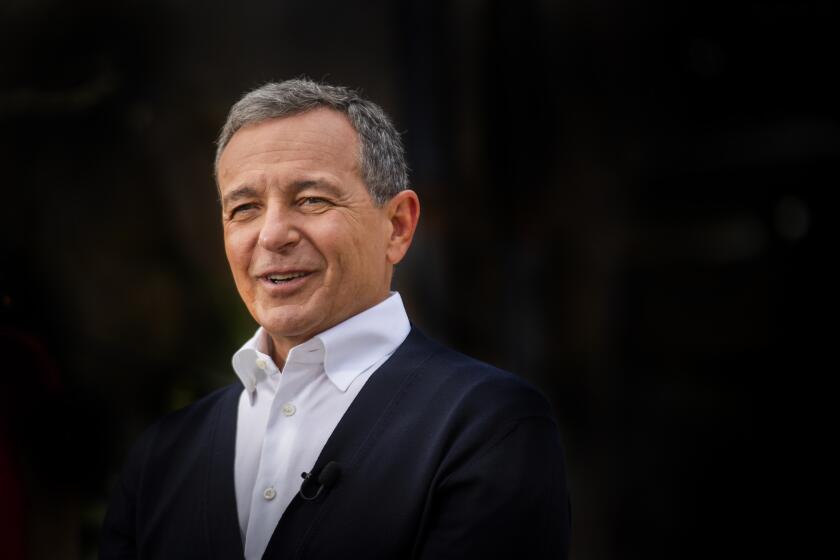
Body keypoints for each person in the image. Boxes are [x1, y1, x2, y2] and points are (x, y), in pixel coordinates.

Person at [100, 79, 570, 559]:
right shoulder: (163, 456)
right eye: (244, 208)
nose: (273, 235)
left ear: (398, 225)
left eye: (312, 200)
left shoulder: (490, 426)